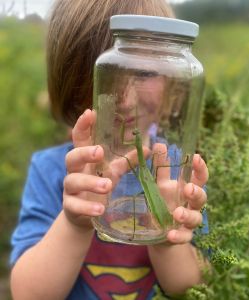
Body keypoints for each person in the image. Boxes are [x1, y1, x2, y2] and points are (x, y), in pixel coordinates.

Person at [9, 0, 209, 299]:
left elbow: (191, 288)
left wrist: (165, 236)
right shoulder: (50, 170)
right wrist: (74, 223)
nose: (126, 100)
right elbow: (28, 295)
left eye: (144, 74)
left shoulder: (178, 171)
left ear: (172, 80)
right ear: (70, 79)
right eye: (106, 76)